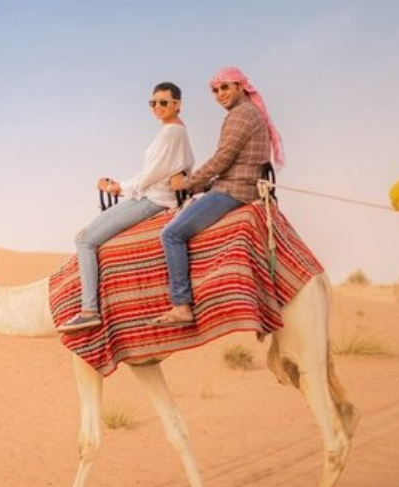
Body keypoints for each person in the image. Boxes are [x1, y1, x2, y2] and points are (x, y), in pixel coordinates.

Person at [57, 82, 195, 333]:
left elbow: (151, 175)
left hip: (153, 200)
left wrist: (118, 188)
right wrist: (123, 186)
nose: (157, 107)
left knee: (85, 241)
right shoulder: (175, 132)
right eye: (153, 103)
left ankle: (89, 311)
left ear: (178, 105)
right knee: (84, 237)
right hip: (148, 195)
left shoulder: (171, 133)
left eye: (164, 102)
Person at [151, 66, 285, 326]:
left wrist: (187, 185)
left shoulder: (241, 115)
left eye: (225, 88)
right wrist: (200, 186)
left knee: (171, 234)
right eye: (215, 91)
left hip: (234, 191)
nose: (220, 94)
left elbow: (222, 159)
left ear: (240, 86)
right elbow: (229, 165)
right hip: (235, 184)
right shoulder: (248, 112)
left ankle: (181, 306)